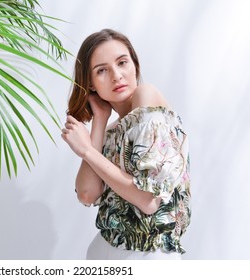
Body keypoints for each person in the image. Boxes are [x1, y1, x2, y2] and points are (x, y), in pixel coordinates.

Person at [61, 29, 191, 260]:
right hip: (103, 251)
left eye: (122, 63)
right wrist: (99, 122)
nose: (116, 75)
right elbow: (87, 194)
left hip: (150, 256)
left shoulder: (146, 95)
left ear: (135, 66)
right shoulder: (111, 130)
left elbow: (148, 201)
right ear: (90, 83)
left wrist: (87, 151)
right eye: (102, 70)